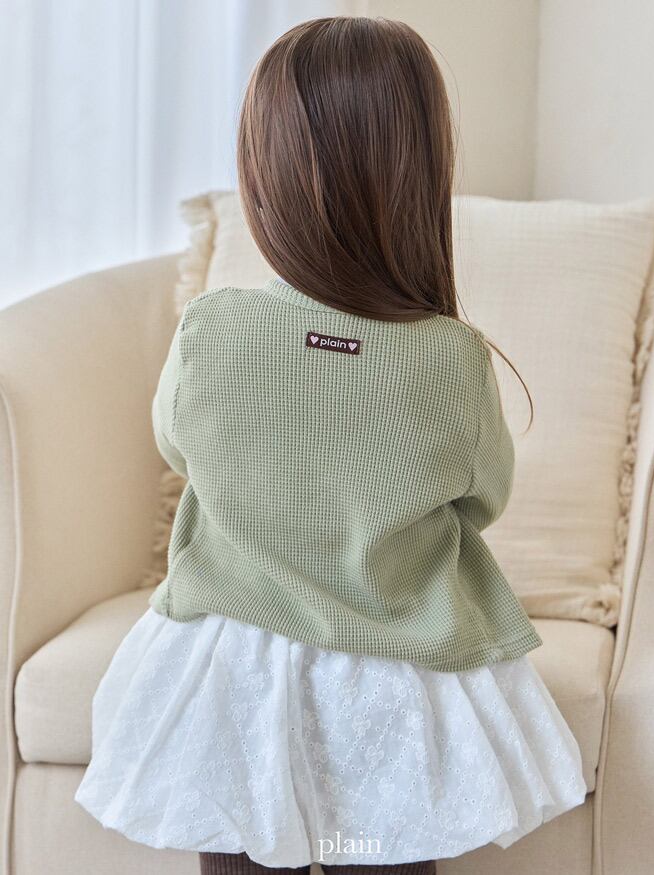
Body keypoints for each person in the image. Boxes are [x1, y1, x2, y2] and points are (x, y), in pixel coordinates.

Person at [74, 15, 587, 875]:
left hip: (230, 675)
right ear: (421, 173)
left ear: (263, 172)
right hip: (394, 685)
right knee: (376, 853)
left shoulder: (211, 330)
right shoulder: (451, 358)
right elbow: (483, 495)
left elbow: (179, 446)